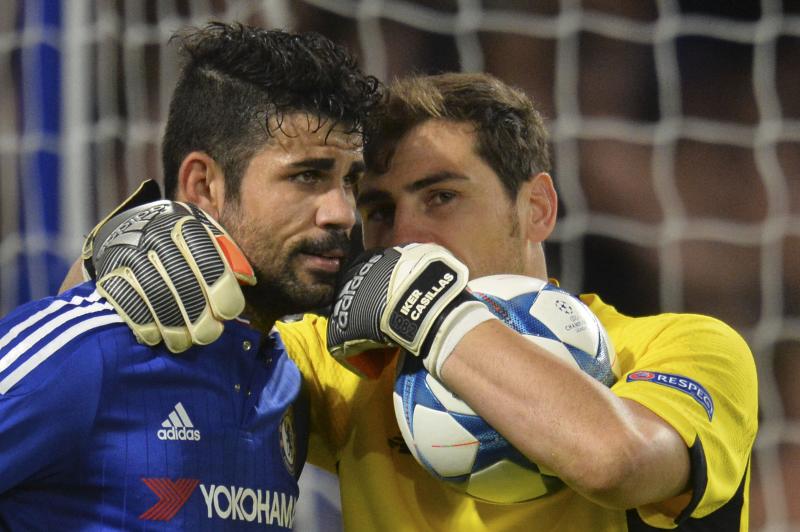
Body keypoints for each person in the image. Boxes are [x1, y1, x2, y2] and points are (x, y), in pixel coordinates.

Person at [80, 73, 757, 531]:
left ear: (538, 207)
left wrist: (438, 316)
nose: (404, 236)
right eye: (378, 210)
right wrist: (115, 255)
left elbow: (619, 461)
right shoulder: (349, 368)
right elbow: (126, 373)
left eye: (441, 196)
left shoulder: (683, 346)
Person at [0, 22, 381, 530]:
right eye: (306, 176)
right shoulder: (90, 348)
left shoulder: (286, 381)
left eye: (349, 182)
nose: (342, 213)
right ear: (203, 185)